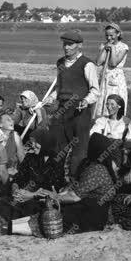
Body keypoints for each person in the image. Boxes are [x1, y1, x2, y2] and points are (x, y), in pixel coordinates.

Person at [42, 30, 99, 178]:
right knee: (58, 146)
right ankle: (56, 179)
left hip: (80, 111)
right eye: (64, 44)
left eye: (70, 44)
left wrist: (86, 101)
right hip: (62, 110)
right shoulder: (60, 62)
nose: (66, 48)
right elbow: (59, 87)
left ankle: (75, 182)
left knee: (79, 150)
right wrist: (52, 97)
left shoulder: (87, 64)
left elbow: (95, 90)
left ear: (79, 45)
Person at [0, 129, 66, 234]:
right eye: (32, 142)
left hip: (42, 200)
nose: (33, 145)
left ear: (46, 143)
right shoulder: (30, 158)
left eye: (37, 142)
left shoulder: (57, 161)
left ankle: (4, 226)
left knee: (31, 207)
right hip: (24, 194)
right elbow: (19, 177)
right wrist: (16, 189)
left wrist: (32, 195)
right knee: (6, 202)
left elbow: (54, 190)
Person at [52, 133, 121, 233]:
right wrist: (60, 194)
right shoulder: (87, 163)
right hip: (85, 204)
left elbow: (75, 197)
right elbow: (76, 183)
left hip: (94, 213)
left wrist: (55, 198)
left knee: (53, 215)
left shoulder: (98, 169)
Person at [93, 23, 129, 118]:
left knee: (113, 102)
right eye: (107, 35)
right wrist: (105, 49)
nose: (109, 38)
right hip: (104, 77)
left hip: (115, 78)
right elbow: (98, 62)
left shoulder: (123, 47)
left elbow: (113, 63)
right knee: (102, 103)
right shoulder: (103, 45)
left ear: (118, 34)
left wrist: (112, 48)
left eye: (111, 35)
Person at [0, 113, 26, 177]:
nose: (12, 121)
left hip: (12, 171)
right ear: (0, 124)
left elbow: (21, 155)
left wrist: (24, 171)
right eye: (8, 120)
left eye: (12, 120)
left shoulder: (15, 135)